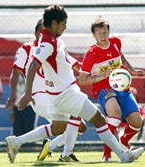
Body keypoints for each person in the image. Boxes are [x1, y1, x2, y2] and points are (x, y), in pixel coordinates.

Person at [5, 5, 144, 164]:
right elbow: (32, 66)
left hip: (55, 95)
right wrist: (28, 93)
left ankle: (16, 142)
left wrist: (81, 67)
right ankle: (122, 155)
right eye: (64, 24)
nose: (65, 27)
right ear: (55, 23)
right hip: (66, 93)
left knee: (57, 128)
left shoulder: (49, 39)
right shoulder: (48, 43)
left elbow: (63, 59)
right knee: (99, 119)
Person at [5, 18, 87, 162]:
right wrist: (13, 94)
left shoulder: (55, 46)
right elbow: (16, 72)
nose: (45, 34)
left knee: (80, 127)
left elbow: (76, 65)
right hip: (39, 96)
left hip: (56, 96)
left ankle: (30, 144)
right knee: (71, 121)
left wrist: (94, 71)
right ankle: (65, 154)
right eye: (42, 31)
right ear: (36, 33)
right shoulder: (26, 48)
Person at [79, 18, 145, 162]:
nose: (102, 36)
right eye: (99, 33)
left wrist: (131, 70)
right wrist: (103, 75)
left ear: (109, 32)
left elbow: (120, 56)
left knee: (137, 122)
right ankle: (106, 155)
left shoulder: (116, 42)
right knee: (115, 113)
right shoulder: (92, 53)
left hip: (121, 87)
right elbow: (82, 80)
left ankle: (124, 141)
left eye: (105, 32)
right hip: (104, 88)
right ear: (93, 35)